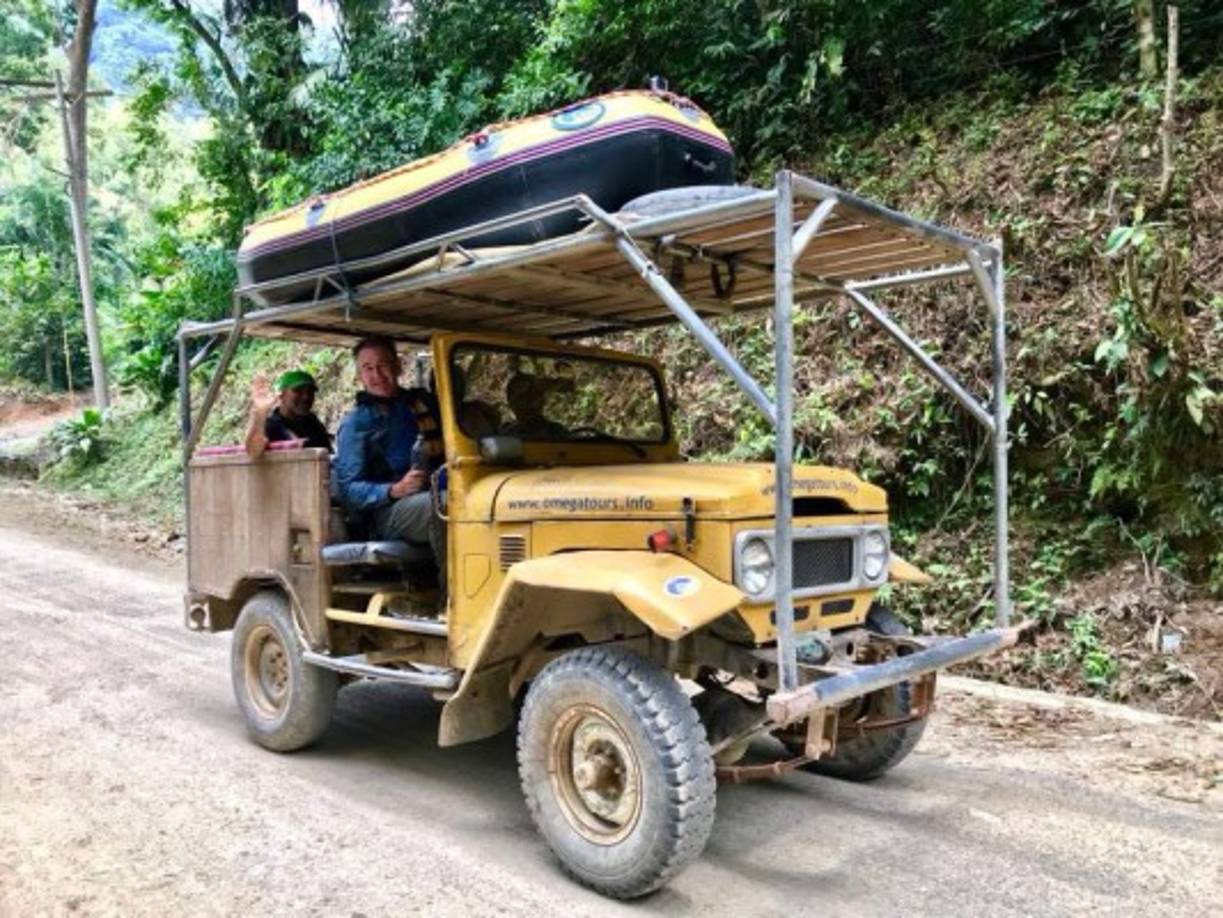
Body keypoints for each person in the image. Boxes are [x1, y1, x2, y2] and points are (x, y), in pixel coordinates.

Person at [332, 336, 446, 594]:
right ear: (360, 375)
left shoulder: (422, 405)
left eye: (383, 365)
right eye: (368, 368)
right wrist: (393, 489)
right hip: (389, 513)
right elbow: (351, 489)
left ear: (398, 367)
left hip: (437, 486)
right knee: (449, 505)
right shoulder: (356, 423)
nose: (377, 375)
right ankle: (452, 596)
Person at [244, 369, 332, 459]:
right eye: (298, 391)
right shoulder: (272, 424)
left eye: (310, 392)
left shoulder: (313, 423)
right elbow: (253, 452)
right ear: (282, 395)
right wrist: (261, 412)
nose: (306, 397)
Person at [504, 373, 572, 439]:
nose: (526, 403)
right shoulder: (506, 431)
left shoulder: (556, 431)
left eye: (532, 396)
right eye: (520, 397)